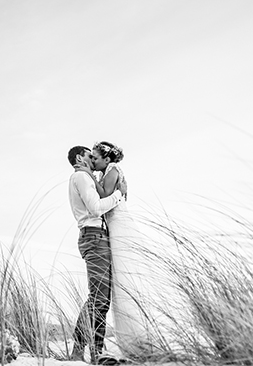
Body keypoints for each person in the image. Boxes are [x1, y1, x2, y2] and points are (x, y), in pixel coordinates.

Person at [67, 145, 127, 365]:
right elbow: (95, 208)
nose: (93, 159)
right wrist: (119, 194)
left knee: (101, 300)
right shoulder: (82, 177)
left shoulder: (86, 177)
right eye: (89, 156)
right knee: (98, 298)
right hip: (94, 237)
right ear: (80, 158)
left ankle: (96, 353)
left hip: (96, 237)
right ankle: (79, 348)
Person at [93, 141, 152, 359]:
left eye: (95, 158)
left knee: (125, 276)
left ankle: (137, 339)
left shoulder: (112, 171)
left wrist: (89, 178)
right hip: (113, 225)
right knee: (120, 281)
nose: (92, 161)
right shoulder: (107, 171)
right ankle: (131, 340)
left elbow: (104, 199)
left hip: (118, 224)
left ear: (107, 159)